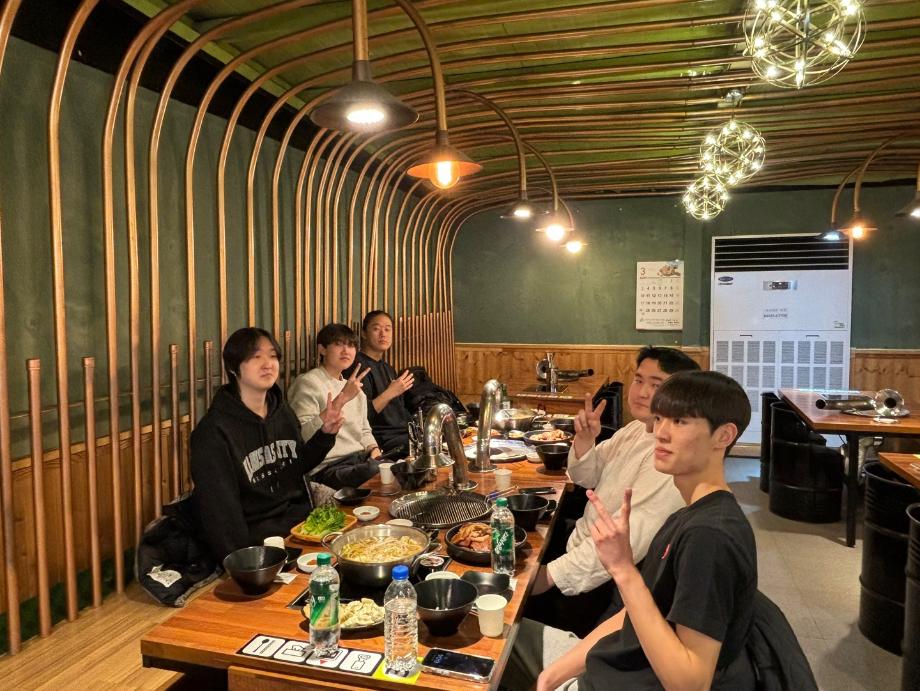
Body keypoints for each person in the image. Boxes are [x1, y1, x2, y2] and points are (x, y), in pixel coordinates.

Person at [534, 371, 757, 690]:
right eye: (660, 418)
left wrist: (623, 570)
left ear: (723, 436)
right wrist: (553, 674)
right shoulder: (687, 514)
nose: (660, 433)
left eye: (680, 422)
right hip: (611, 661)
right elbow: (634, 615)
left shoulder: (710, 536)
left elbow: (690, 683)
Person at [525, 347, 698, 636]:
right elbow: (587, 476)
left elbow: (625, 542)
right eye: (639, 380)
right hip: (579, 545)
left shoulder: (668, 459)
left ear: (681, 396)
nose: (642, 392)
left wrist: (549, 576)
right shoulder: (636, 429)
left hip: (601, 583)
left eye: (656, 385)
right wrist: (585, 441)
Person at [190, 327, 346, 563]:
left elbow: (296, 467)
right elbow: (221, 512)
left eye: (273, 356)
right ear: (233, 367)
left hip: (299, 526)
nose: (268, 364)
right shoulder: (213, 432)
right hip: (257, 541)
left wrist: (325, 435)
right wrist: (246, 564)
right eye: (256, 357)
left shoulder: (281, 412)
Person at [289, 323, 382, 489]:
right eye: (339, 344)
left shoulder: (355, 388)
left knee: (398, 467)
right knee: (375, 471)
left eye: (351, 345)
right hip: (327, 467)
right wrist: (343, 397)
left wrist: (374, 449)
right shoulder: (308, 382)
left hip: (359, 460)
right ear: (322, 349)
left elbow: (364, 431)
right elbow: (302, 435)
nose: (346, 351)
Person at [347, 310, 414, 457]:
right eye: (376, 329)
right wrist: (390, 392)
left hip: (402, 434)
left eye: (387, 329)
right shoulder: (358, 366)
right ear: (364, 334)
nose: (383, 334)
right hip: (380, 440)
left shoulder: (387, 367)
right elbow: (363, 416)